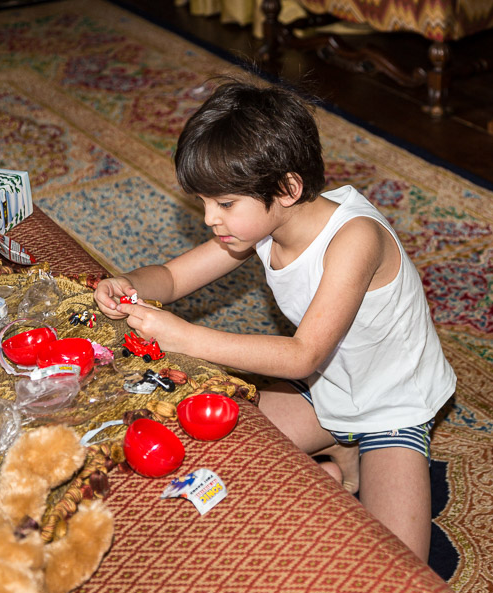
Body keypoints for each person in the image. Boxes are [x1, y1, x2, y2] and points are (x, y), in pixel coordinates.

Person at [94, 79, 456, 562]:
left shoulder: (355, 239)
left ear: (287, 189)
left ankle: (347, 454)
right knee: (198, 446)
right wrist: (127, 283)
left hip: (390, 406)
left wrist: (184, 336)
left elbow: (303, 353)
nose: (209, 219)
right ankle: (338, 455)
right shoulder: (259, 226)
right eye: (204, 203)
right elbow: (172, 278)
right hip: (323, 387)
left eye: (223, 204)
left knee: (395, 565)